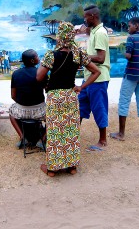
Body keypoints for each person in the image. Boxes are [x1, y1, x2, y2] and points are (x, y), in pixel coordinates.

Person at [37, 22, 100, 177]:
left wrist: (47, 82)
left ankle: (52, 169)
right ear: (72, 35)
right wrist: (81, 87)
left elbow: (39, 76)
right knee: (70, 131)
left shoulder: (51, 55)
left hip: (55, 97)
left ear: (59, 36)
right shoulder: (79, 54)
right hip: (71, 96)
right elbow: (96, 71)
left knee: (55, 131)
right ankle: (72, 167)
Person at [110, 17, 139, 141]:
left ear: (136, 26)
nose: (128, 28)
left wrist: (123, 52)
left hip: (131, 75)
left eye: (129, 26)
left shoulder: (131, 38)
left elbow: (129, 56)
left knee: (124, 102)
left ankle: (121, 134)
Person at [78, 5, 111, 149]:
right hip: (88, 77)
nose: (84, 19)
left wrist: (82, 57)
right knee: (79, 107)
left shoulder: (101, 33)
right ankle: (71, 134)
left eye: (86, 17)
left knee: (99, 108)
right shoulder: (95, 31)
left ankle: (103, 140)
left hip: (98, 79)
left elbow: (101, 58)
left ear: (92, 16)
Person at [9, 49, 46, 148]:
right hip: (40, 111)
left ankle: (22, 137)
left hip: (21, 111)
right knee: (54, 117)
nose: (39, 58)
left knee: (11, 113)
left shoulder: (16, 74)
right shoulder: (41, 73)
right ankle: (42, 140)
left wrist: (22, 103)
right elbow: (47, 90)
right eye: (37, 56)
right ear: (33, 60)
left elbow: (13, 96)